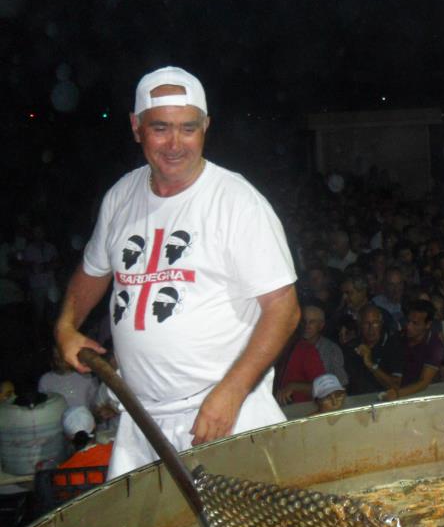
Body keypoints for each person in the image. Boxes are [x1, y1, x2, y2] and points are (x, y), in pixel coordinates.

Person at [54, 66, 299, 479]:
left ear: (206, 127)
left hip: (225, 414)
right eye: (160, 128)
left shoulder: (236, 201)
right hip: (142, 420)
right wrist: (65, 325)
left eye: (188, 128)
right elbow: (93, 271)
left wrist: (232, 392)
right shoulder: (121, 196)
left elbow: (284, 309)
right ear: (136, 127)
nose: (175, 144)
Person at [276, 305, 328, 405]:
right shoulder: (271, 349)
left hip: (301, 412)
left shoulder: (306, 350)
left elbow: (324, 387)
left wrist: (294, 386)